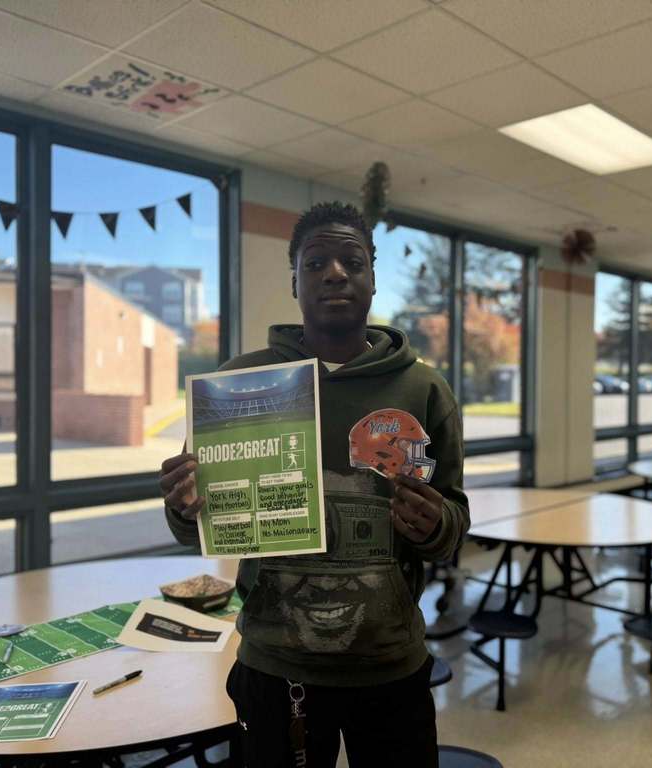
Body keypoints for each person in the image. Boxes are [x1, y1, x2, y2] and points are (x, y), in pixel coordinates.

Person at [159, 201, 469, 768]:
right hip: (276, 667)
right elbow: (193, 528)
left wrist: (436, 524)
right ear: (295, 280)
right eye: (317, 261)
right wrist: (183, 506)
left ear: (373, 279)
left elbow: (453, 521)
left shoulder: (424, 390)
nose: (335, 273)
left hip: (390, 662)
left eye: (352, 261)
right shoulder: (238, 384)